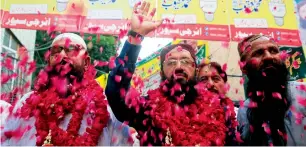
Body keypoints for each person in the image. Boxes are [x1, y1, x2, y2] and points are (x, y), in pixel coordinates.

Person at [106, 1, 236, 146]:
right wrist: (136, 36)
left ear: (196, 70)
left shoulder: (219, 109)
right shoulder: (147, 108)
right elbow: (115, 93)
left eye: (186, 61)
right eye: (171, 62)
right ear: (162, 71)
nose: (179, 67)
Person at [1, 33, 134, 146]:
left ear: (86, 63)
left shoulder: (105, 109)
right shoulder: (27, 103)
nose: (62, 55)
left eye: (72, 49)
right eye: (55, 52)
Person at [236, 34, 306, 146]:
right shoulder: (244, 111)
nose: (269, 56)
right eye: (258, 53)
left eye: (273, 51)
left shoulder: (303, 93)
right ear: (244, 67)